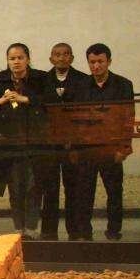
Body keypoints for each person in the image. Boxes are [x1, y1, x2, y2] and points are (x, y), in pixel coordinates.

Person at [67, 43, 135, 241]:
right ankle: (84, 233)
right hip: (87, 149)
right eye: (92, 62)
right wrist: (74, 148)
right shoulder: (79, 86)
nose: (96, 66)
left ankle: (113, 231)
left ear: (109, 61)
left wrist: (124, 148)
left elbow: (128, 119)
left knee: (114, 192)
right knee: (84, 193)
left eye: (100, 61)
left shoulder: (123, 85)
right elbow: (73, 119)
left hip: (112, 147)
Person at [0, 43, 48, 239]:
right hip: (10, 144)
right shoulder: (1, 78)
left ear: (28, 59)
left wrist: (26, 99)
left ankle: (31, 227)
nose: (16, 62)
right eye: (12, 58)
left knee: (33, 188)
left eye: (20, 58)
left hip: (35, 142)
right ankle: (18, 227)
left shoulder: (41, 78)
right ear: (7, 61)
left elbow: (51, 99)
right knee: (15, 188)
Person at [38, 43, 92, 240]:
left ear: (72, 58)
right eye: (57, 54)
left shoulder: (84, 80)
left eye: (66, 54)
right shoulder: (42, 81)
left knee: (74, 189)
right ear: (51, 59)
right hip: (50, 145)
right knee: (49, 189)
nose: (61, 58)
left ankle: (75, 231)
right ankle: (49, 231)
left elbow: (86, 113)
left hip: (74, 144)